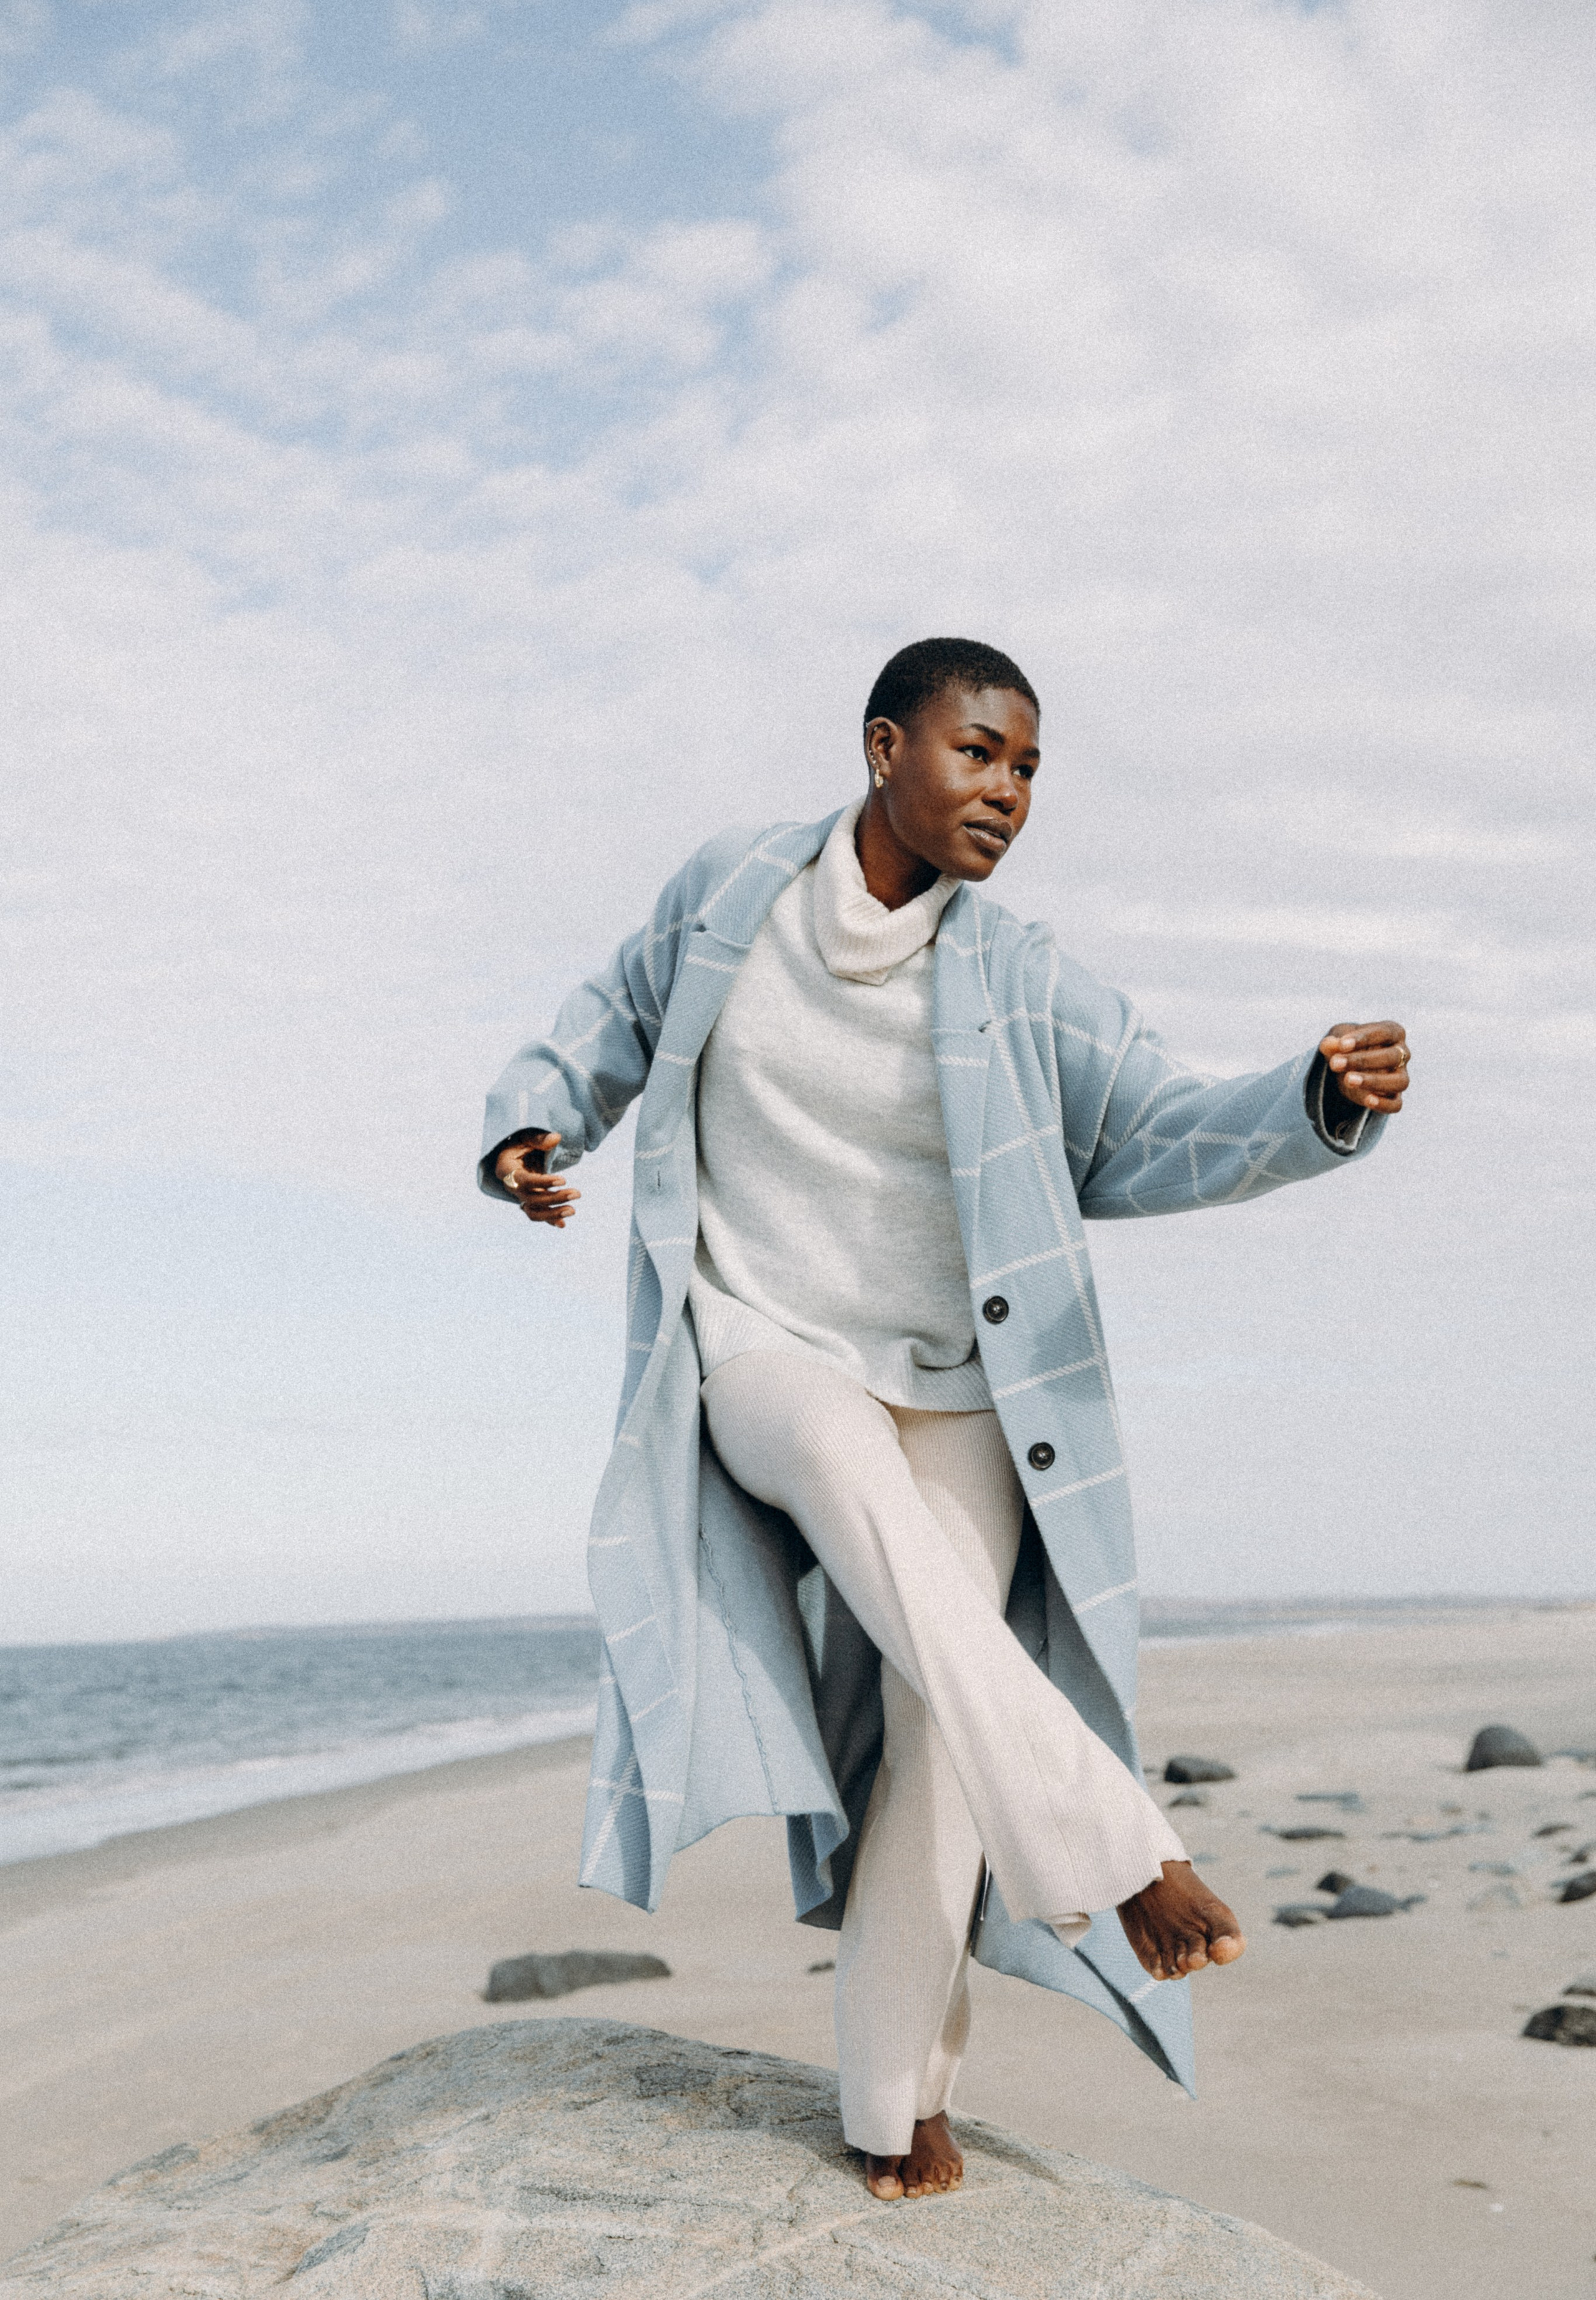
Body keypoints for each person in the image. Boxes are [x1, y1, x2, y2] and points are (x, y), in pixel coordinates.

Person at [478, 637, 1408, 2202]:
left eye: (1030, 769)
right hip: (765, 1344)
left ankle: (888, 2105)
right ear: (882, 746)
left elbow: (1156, 1128)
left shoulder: (1021, 976)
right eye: (980, 753)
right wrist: (529, 1121)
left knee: (941, 1739)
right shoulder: (731, 894)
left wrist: (1309, 1103)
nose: (1008, 793)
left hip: (965, 1386)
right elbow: (608, 1018)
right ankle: (1124, 1854)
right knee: (857, 1496)